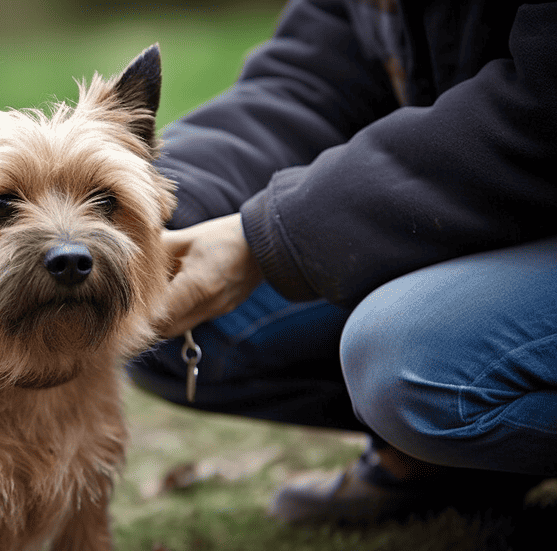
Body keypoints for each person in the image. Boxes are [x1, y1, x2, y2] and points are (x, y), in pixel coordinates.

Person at [129, 0, 557, 524]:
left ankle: (450, 429)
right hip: (499, 214)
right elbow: (309, 86)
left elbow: (543, 106)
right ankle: (450, 461)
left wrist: (270, 235)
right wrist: (151, 206)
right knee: (164, 330)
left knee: (404, 359)